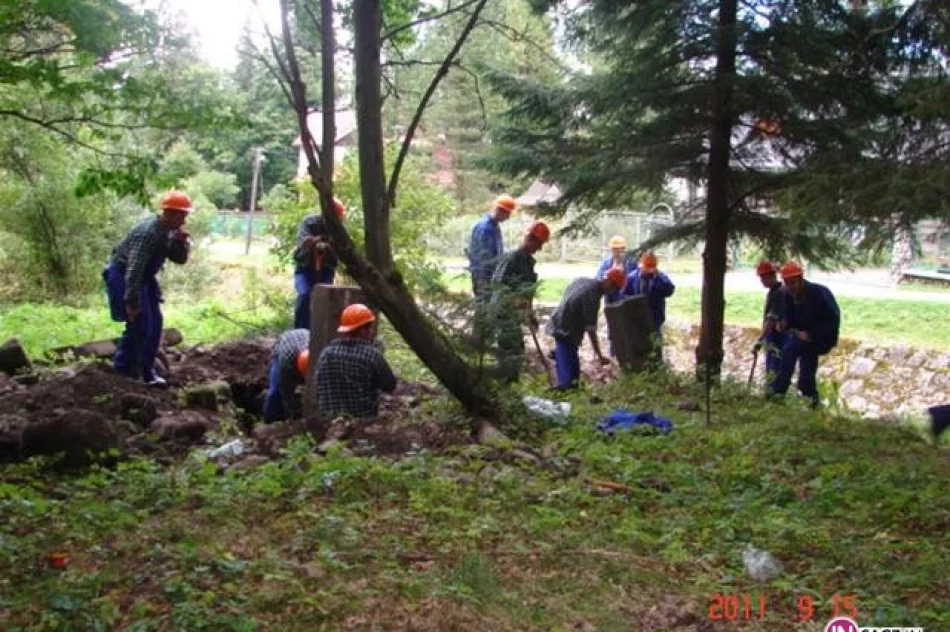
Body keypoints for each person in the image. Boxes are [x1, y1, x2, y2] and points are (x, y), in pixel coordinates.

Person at [103, 190, 191, 386]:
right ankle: (123, 373)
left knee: (155, 325)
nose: (184, 220)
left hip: (144, 278)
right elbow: (133, 271)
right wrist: (132, 302)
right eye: (182, 215)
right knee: (139, 325)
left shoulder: (170, 231)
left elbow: (179, 259)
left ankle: (146, 371)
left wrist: (182, 243)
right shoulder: (148, 233)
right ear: (169, 213)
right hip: (123, 275)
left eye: (185, 215)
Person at [772, 261, 841, 407]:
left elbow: (832, 321)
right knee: (806, 372)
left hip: (822, 338)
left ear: (801, 278)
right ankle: (811, 400)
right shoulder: (788, 294)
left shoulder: (819, 293)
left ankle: (778, 392)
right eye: (787, 283)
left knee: (790, 349)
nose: (790, 287)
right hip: (803, 338)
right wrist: (784, 324)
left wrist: (811, 334)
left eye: (793, 283)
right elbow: (789, 317)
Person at [545, 269, 626, 391]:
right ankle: (563, 391)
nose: (613, 292)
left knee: (570, 362)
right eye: (614, 288)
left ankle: (559, 357)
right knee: (570, 376)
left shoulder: (583, 280)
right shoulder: (592, 297)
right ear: (608, 282)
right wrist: (599, 354)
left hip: (558, 320)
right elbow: (591, 328)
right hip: (566, 329)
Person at [489, 221, 550, 382]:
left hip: (513, 315)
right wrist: (514, 301)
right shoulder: (511, 258)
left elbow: (526, 293)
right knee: (509, 350)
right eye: (540, 243)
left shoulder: (528, 262)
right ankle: (503, 384)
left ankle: (511, 383)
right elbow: (498, 283)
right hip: (502, 312)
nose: (540, 248)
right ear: (531, 239)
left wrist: (531, 315)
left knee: (517, 350)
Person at [315, 303, 397, 419]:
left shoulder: (326, 353)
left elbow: (318, 387)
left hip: (329, 421)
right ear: (363, 330)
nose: (372, 330)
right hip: (362, 422)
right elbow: (390, 386)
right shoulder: (371, 355)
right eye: (370, 327)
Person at [467, 195, 516, 347]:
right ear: (500, 210)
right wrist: (484, 278)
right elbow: (484, 257)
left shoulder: (494, 226)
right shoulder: (485, 228)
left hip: (491, 275)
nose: (507, 218)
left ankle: (483, 341)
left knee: (487, 307)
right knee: (482, 307)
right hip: (483, 275)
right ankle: (478, 342)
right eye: (507, 214)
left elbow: (497, 252)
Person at [293, 197, 346, 330]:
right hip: (305, 270)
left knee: (325, 300)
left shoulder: (339, 230)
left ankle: (319, 332)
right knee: (305, 296)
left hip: (326, 271)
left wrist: (329, 246)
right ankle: (300, 332)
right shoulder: (309, 222)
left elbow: (342, 250)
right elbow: (304, 243)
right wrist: (318, 240)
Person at [621, 251, 675, 341]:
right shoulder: (632, 277)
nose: (648, 271)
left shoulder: (661, 277)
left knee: (655, 349)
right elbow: (623, 296)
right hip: (636, 321)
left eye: (651, 268)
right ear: (641, 265)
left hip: (655, 321)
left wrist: (657, 278)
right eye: (646, 268)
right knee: (638, 349)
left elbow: (669, 291)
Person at [754, 260, 788, 392]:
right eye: (761, 278)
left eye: (763, 277)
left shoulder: (778, 293)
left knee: (774, 367)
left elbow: (771, 319)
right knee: (771, 367)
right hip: (773, 336)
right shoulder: (774, 291)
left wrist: (760, 339)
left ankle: (773, 395)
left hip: (776, 337)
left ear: (771, 275)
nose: (762, 281)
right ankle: (772, 393)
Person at [263, 329, 310, 423]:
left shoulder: (316, 352)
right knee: (275, 392)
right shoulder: (286, 361)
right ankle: (269, 421)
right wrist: (294, 413)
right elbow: (285, 388)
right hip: (282, 349)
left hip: (304, 336)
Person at [595, 235, 634, 304]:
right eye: (615, 249)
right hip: (609, 298)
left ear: (624, 249)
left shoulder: (631, 263)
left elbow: (633, 280)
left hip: (626, 298)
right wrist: (609, 274)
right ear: (611, 249)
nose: (618, 251)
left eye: (620, 248)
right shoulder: (605, 263)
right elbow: (598, 278)